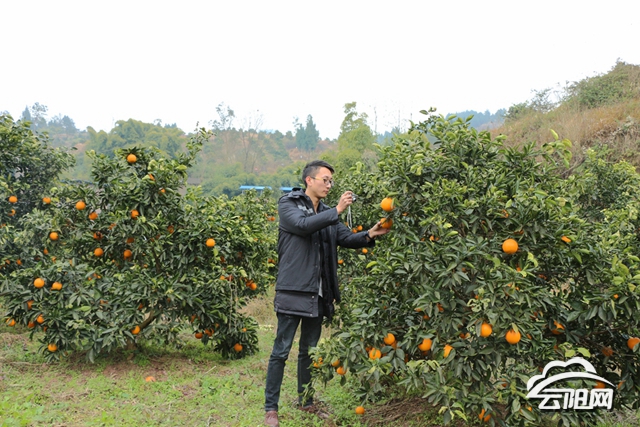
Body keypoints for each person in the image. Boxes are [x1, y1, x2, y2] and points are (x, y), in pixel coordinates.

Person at [264, 160, 390, 426]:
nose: (329, 185)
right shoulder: (288, 204)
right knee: (281, 351)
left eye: (331, 181)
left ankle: (306, 401)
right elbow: (302, 225)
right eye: (325, 180)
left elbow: (346, 238)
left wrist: (370, 234)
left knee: (309, 351)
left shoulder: (327, 214)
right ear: (309, 180)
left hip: (318, 294)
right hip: (293, 289)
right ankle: (271, 408)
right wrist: (338, 210)